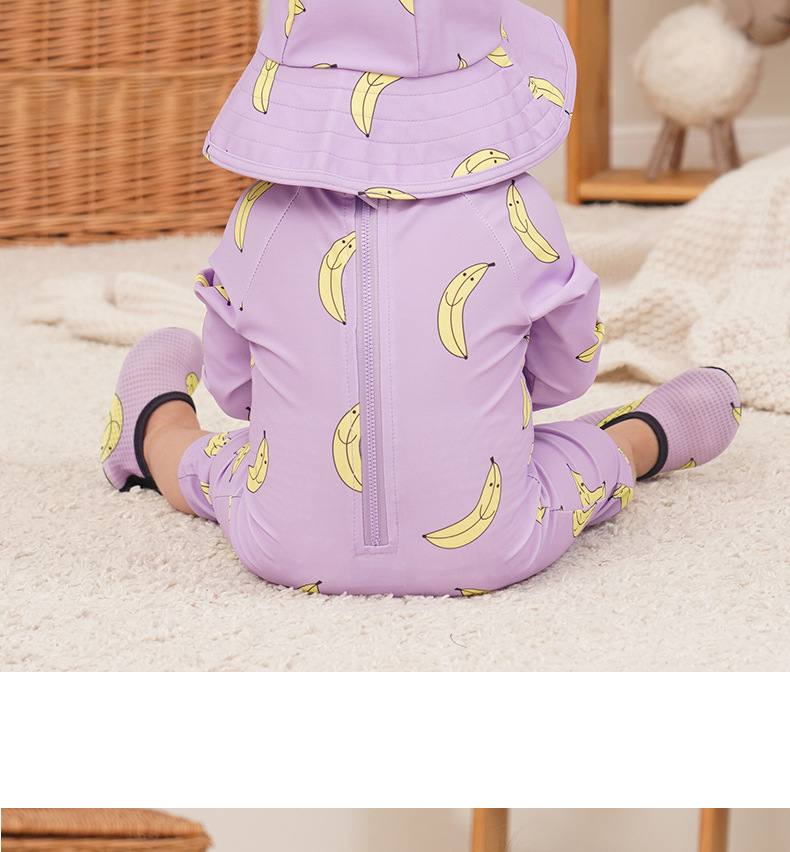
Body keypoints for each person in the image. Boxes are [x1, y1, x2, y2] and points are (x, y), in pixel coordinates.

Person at [100, 0, 741, 596]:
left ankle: (155, 425)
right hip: (490, 548)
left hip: (284, 547)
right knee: (571, 460)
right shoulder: (516, 214)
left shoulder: (258, 219)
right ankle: (642, 437)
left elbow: (238, 393)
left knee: (225, 467)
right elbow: (564, 377)